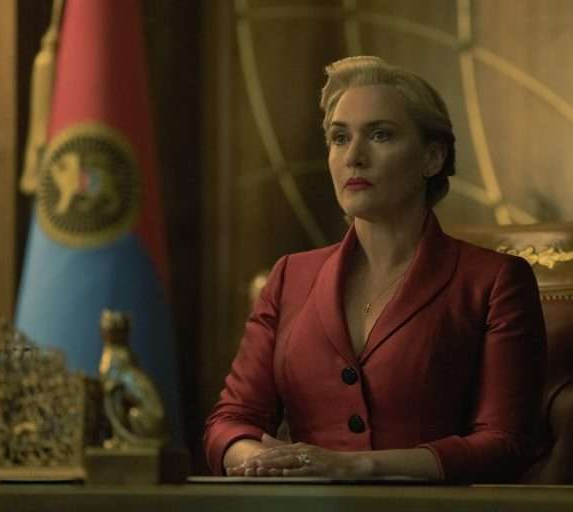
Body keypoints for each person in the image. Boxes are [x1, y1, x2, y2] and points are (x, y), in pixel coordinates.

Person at [204, 56, 546, 483]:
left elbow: (505, 443)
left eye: (380, 134)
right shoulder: (290, 276)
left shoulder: (494, 281)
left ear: (432, 157)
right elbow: (229, 421)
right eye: (339, 138)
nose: (354, 157)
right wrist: (256, 457)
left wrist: (358, 465)